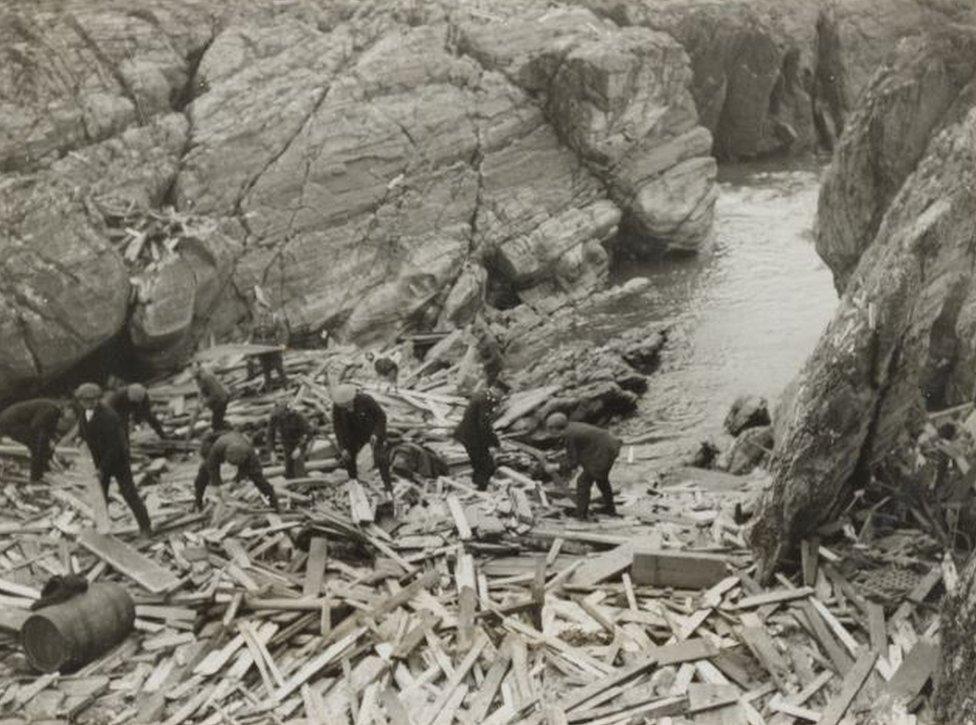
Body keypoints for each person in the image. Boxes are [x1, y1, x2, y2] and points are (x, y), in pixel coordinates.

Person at [74, 383, 152, 536]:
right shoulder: (84, 413)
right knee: (100, 495)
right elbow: (85, 430)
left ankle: (146, 527)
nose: (89, 403)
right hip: (99, 459)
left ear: (97, 399)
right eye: (85, 400)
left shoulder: (109, 416)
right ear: (81, 400)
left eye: (92, 400)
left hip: (117, 461)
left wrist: (102, 469)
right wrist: (80, 438)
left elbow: (114, 447)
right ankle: (104, 526)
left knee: (129, 493)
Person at [546, 412, 621, 520]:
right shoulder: (571, 427)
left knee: (582, 482)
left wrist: (556, 466)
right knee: (601, 480)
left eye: (550, 430)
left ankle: (581, 516)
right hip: (608, 446)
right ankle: (610, 510)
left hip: (603, 452)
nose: (549, 433)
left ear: (554, 429)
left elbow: (573, 462)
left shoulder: (570, 435)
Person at [194, 430, 280, 511]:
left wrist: (236, 481)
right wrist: (217, 485)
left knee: (259, 479)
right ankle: (198, 502)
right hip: (217, 440)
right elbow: (212, 467)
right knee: (203, 472)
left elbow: (253, 471)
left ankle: (274, 504)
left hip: (239, 444)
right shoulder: (218, 447)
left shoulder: (250, 454)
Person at [331, 384, 392, 492]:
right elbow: (338, 428)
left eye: (348, 404)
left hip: (371, 433)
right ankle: (355, 484)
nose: (346, 407)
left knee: (381, 458)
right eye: (343, 405)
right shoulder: (337, 407)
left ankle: (387, 486)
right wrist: (342, 447)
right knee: (348, 459)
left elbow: (381, 417)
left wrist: (376, 433)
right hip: (352, 436)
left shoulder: (366, 400)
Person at [0, 399, 76, 481]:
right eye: (74, 414)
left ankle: (44, 472)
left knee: (43, 445)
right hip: (11, 422)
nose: (73, 418)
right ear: (68, 409)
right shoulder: (52, 410)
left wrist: (49, 441)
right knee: (37, 447)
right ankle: (36, 478)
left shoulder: (55, 412)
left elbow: (48, 429)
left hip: (14, 421)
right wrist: (44, 441)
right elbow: (36, 426)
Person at [454, 388, 500, 491]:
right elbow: (484, 425)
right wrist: (495, 443)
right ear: (498, 391)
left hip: (468, 435)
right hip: (473, 437)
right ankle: (480, 489)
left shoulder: (481, 395)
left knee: (479, 463)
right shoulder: (485, 400)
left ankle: (477, 485)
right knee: (487, 465)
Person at [106, 383, 166, 449]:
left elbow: (147, 413)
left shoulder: (144, 396)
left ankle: (162, 435)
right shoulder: (117, 396)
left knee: (150, 417)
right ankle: (124, 446)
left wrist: (137, 420)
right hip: (119, 409)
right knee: (122, 425)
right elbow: (109, 412)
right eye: (134, 402)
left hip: (135, 404)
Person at [248, 304, 289, 390]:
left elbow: (284, 330)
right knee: (265, 369)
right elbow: (252, 335)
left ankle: (286, 384)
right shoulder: (255, 320)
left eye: (262, 308)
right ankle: (269, 388)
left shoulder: (274, 318)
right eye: (258, 308)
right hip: (261, 349)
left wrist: (283, 344)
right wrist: (250, 349)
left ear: (266, 308)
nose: (260, 310)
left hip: (273, 347)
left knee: (279, 367)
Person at [267, 402, 313, 479]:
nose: (279, 421)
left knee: (298, 462)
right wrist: (272, 452)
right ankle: (291, 481)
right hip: (287, 442)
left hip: (300, 440)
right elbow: (270, 436)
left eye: (281, 418)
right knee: (289, 468)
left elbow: (308, 433)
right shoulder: (274, 417)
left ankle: (303, 482)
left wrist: (300, 448)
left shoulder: (297, 416)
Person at [191, 363, 230, 434]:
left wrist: (204, 403)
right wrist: (199, 402)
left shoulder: (207, 377)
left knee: (216, 421)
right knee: (217, 419)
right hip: (215, 399)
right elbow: (201, 391)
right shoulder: (198, 378)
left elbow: (216, 394)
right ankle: (220, 427)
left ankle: (221, 433)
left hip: (221, 398)